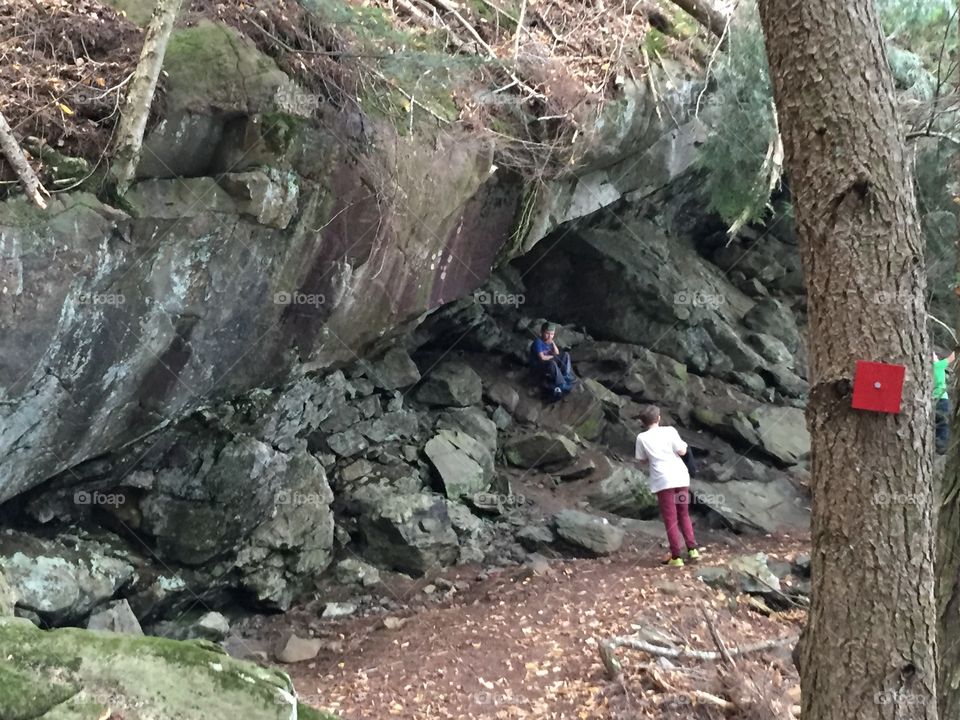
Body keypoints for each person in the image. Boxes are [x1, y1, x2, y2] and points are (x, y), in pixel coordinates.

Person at [634, 404, 700, 567]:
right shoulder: (670, 431)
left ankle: (676, 557)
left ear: (642, 422)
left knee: (670, 518)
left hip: (663, 480)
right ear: (658, 418)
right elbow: (683, 452)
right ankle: (692, 549)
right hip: (680, 476)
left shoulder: (641, 438)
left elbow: (641, 459)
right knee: (683, 513)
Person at [530, 322, 576, 401]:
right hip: (538, 366)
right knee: (552, 363)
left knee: (565, 355)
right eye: (547, 333)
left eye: (552, 334)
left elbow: (557, 353)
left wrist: (552, 342)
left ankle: (566, 376)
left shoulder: (549, 341)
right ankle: (561, 384)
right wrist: (552, 356)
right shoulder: (538, 342)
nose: (549, 336)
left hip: (547, 363)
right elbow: (542, 358)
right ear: (542, 332)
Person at [933, 349, 955, 455]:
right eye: (935, 356)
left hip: (933, 400)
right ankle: (941, 443)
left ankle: (937, 440)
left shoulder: (928, 370)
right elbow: (952, 358)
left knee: (937, 421)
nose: (937, 357)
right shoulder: (938, 365)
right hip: (942, 398)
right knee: (943, 422)